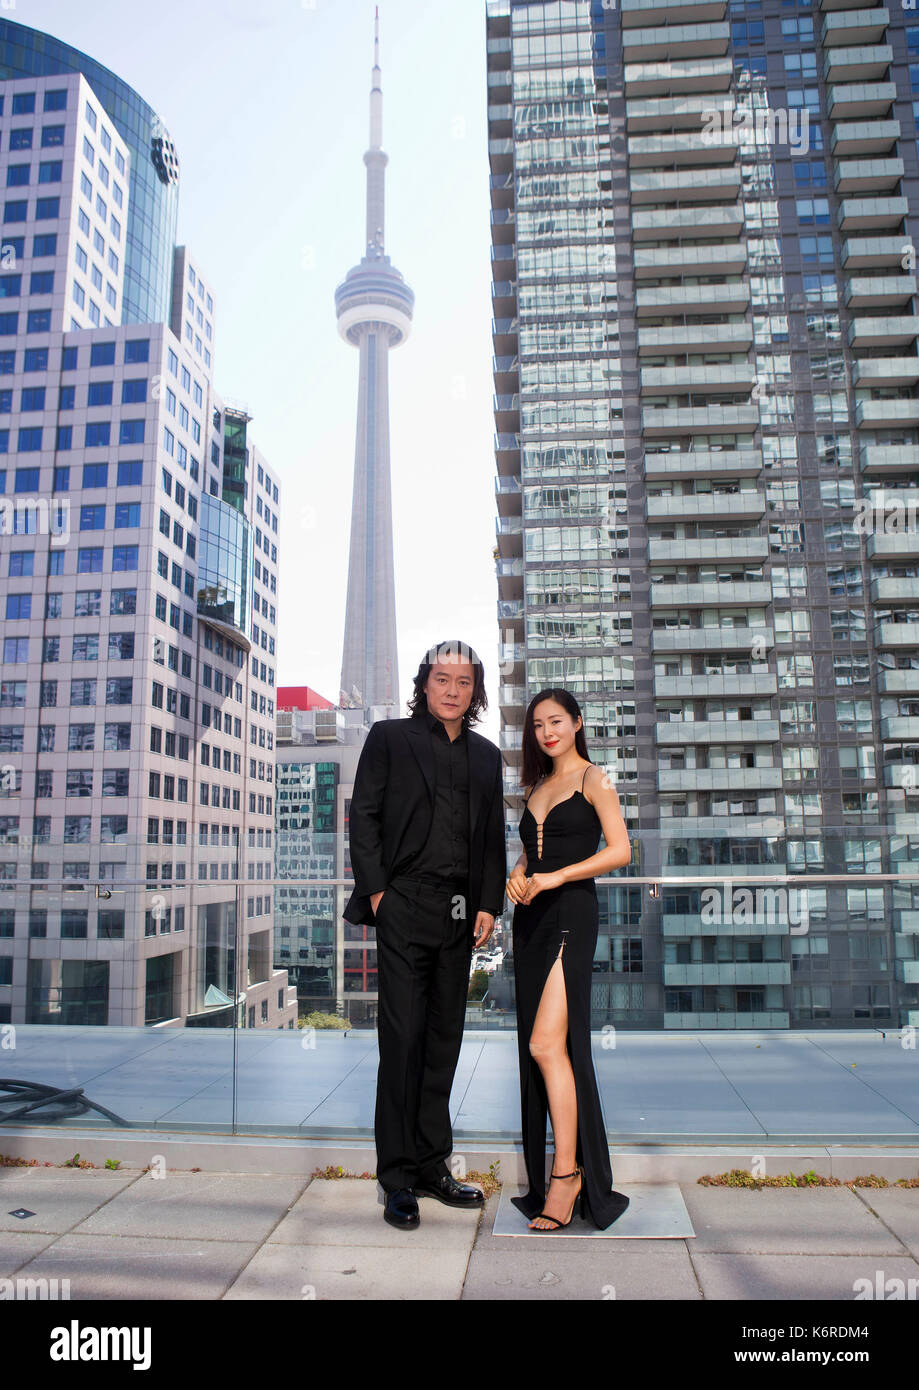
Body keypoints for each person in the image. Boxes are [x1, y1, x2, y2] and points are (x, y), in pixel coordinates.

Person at [344, 639, 507, 1229]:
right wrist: (379, 891)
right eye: (443, 679)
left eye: (464, 683)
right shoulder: (389, 738)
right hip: (404, 902)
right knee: (403, 1040)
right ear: (425, 683)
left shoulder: (489, 757)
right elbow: (362, 816)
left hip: (461, 913)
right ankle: (396, 1179)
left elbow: (492, 837)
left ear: (475, 692)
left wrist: (489, 902)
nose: (452, 691)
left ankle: (435, 1166)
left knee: (444, 1041)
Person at [506, 688, 632, 1231]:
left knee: (545, 1044)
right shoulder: (537, 784)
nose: (547, 731)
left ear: (578, 723)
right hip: (530, 919)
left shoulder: (593, 779)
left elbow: (622, 849)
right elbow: (533, 849)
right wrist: (518, 871)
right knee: (545, 1046)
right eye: (537, 725)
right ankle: (563, 1170)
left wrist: (559, 875)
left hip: (570, 916)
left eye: (556, 721)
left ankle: (566, 1176)